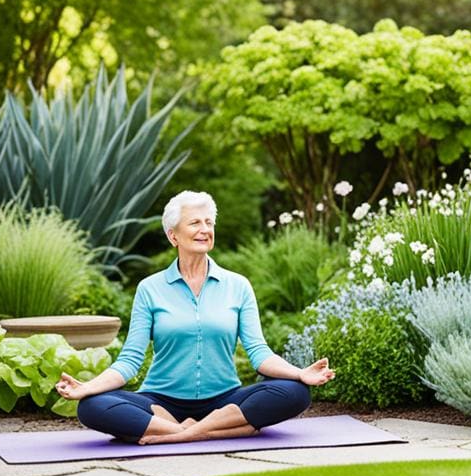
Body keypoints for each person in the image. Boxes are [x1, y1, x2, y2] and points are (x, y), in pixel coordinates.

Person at [55, 190, 335, 444]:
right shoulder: (150, 289)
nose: (205, 230)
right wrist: (87, 388)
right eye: (195, 223)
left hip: (225, 400)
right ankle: (211, 431)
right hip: (160, 403)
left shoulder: (238, 285)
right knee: (91, 406)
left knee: (296, 392)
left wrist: (300, 373)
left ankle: (185, 432)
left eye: (209, 223)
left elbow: (259, 353)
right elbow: (130, 361)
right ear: (172, 235)